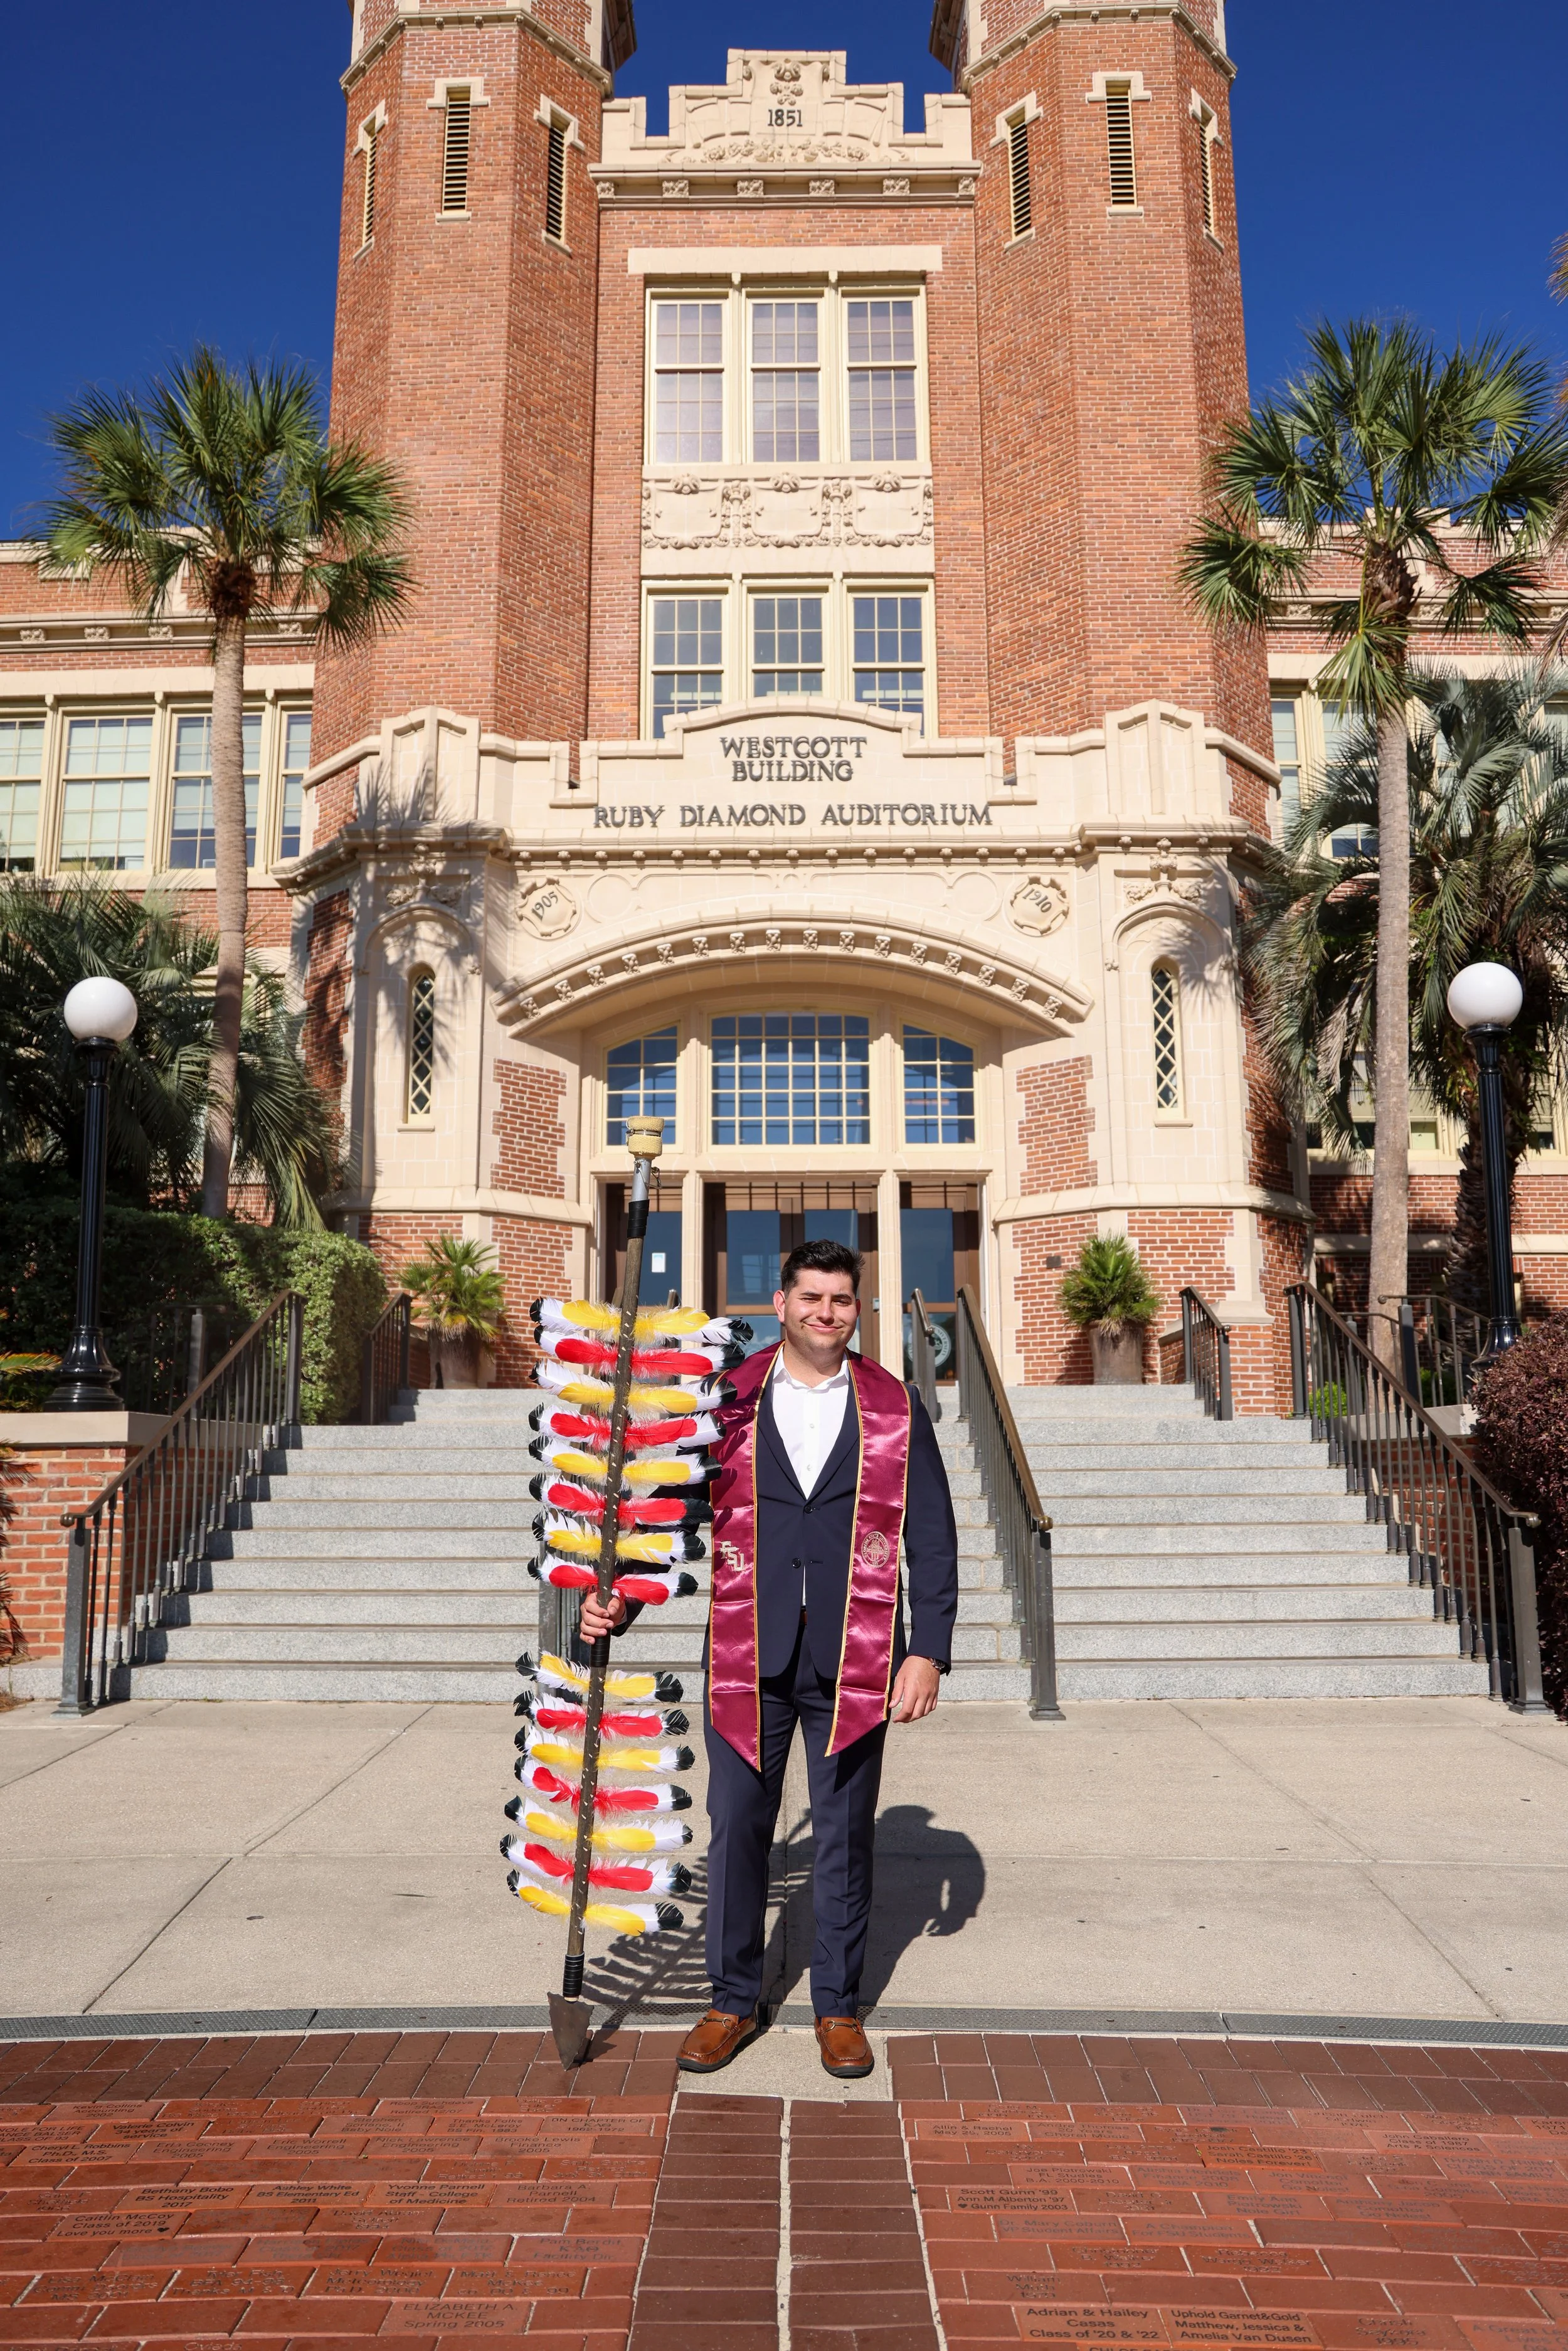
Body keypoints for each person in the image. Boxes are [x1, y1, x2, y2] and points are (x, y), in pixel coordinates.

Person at [580, 1237, 959, 2080]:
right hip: (749, 1651)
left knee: (844, 1838)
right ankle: (731, 2000)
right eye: (812, 1298)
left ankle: (838, 2008)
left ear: (855, 1310)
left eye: (842, 1301)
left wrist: (926, 1648)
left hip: (855, 1651)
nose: (827, 1313)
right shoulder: (727, 1402)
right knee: (740, 1829)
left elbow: (930, 1537)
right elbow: (673, 1518)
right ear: (780, 1305)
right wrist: (621, 1601)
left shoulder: (893, 1405)